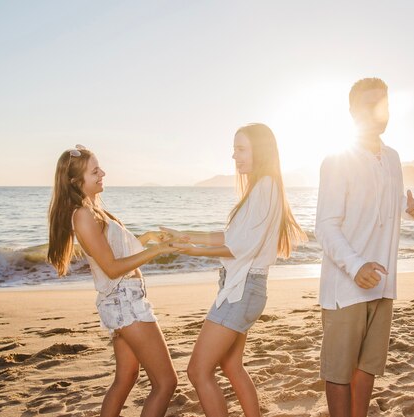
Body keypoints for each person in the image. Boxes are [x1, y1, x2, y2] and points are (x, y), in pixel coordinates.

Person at [162, 123, 305, 417]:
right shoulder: (263, 187)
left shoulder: (264, 187)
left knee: (197, 371)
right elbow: (231, 238)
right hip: (242, 287)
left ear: (259, 151)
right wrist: (185, 234)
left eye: (241, 149)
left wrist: (193, 251)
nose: (234, 156)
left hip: (242, 290)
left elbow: (240, 248)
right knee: (230, 365)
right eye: (234, 150)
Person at [315, 78, 414, 417]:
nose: (378, 111)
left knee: (367, 369)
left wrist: (411, 210)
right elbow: (325, 225)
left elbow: (384, 209)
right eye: (368, 104)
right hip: (346, 287)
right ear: (351, 111)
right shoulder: (337, 159)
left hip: (383, 283)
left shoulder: (393, 158)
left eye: (383, 104)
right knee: (338, 372)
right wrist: (356, 265)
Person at [47, 145, 178, 417]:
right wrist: (157, 252)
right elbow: (111, 267)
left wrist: (149, 238)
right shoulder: (82, 215)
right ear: (76, 181)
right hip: (125, 302)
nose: (103, 173)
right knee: (166, 383)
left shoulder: (92, 210)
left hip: (123, 301)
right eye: (95, 171)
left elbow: (116, 252)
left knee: (126, 378)